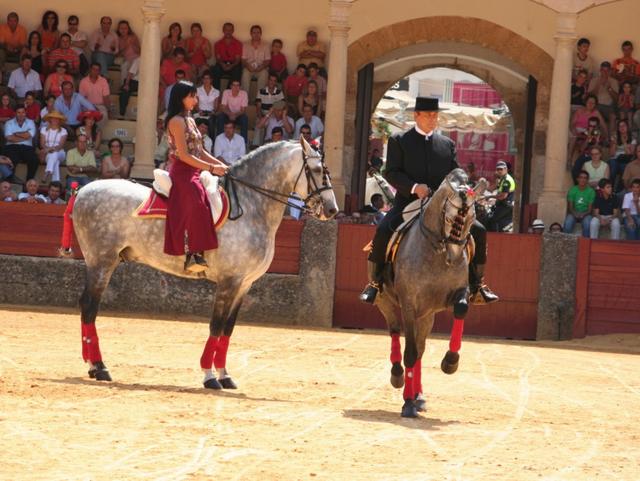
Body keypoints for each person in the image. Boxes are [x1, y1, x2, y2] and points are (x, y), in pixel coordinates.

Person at [360, 97, 498, 305]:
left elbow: (456, 173)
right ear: (417, 115)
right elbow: (391, 173)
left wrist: (465, 188)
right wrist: (415, 187)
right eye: (429, 115)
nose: (433, 119)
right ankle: (375, 284)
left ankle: (477, 285)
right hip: (408, 202)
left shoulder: (447, 144)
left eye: (435, 115)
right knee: (383, 229)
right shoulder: (399, 140)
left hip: (443, 206)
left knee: (478, 230)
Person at [164, 80, 228, 272]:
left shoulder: (190, 119)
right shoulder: (175, 121)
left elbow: (200, 151)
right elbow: (184, 155)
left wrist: (220, 164)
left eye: (195, 95)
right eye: (191, 96)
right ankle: (192, 254)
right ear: (180, 98)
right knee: (198, 204)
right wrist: (210, 167)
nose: (195, 99)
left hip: (195, 169)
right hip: (182, 173)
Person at [2, 104, 38, 180]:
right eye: (18, 112)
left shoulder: (31, 122)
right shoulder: (9, 123)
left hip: (27, 147)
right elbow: (9, 138)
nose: (21, 114)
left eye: (23, 112)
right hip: (12, 146)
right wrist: (25, 137)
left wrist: (16, 134)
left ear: (26, 113)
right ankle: (9, 181)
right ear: (15, 113)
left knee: (34, 160)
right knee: (11, 159)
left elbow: (30, 135)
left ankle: (29, 181)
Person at [484, 160, 515, 232]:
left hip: (506, 205)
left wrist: (489, 197)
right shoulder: (502, 179)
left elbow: (503, 196)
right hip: (502, 204)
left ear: (506, 169)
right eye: (498, 169)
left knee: (491, 220)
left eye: (501, 169)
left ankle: (494, 237)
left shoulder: (507, 180)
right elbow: (493, 189)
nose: (499, 171)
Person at [589, 61, 618, 134]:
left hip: (609, 106)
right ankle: (605, 139)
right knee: (597, 113)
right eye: (603, 70)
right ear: (600, 70)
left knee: (613, 117)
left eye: (607, 70)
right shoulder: (594, 80)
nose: (605, 73)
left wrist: (609, 88)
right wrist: (598, 85)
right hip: (596, 105)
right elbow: (589, 97)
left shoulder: (614, 81)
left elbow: (616, 99)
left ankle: (611, 139)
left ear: (610, 71)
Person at [563, 170, 595, 237]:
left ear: (587, 180)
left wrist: (583, 214)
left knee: (587, 224)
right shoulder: (572, 190)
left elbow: (590, 210)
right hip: (574, 212)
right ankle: (566, 244)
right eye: (581, 177)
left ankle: (585, 245)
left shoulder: (591, 191)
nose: (583, 180)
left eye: (585, 178)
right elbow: (570, 207)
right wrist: (575, 214)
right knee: (567, 224)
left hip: (586, 213)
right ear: (577, 179)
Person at [39, 110, 68, 184]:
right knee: (55, 161)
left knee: (54, 154)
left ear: (59, 120)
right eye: (53, 118)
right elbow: (42, 143)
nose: (55, 120)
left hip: (60, 153)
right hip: (47, 153)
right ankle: (56, 182)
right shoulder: (43, 130)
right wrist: (48, 150)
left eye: (57, 118)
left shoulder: (63, 131)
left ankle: (47, 172)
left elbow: (60, 145)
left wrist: (50, 149)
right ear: (50, 119)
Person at [212, 22, 242, 91]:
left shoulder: (238, 43)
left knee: (237, 70)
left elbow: (237, 60)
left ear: (233, 31)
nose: (228, 32)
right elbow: (218, 58)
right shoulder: (218, 44)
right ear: (223, 30)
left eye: (230, 30)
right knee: (215, 69)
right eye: (226, 30)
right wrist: (223, 65)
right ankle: (216, 94)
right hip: (222, 63)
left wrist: (231, 66)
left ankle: (228, 93)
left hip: (234, 64)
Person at [241, 25, 270, 94]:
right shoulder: (245, 44)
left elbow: (267, 60)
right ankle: (245, 99)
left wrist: (261, 67)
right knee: (245, 74)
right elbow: (243, 60)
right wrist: (248, 67)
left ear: (261, 34)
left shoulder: (266, 45)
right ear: (251, 34)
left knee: (264, 74)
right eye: (254, 32)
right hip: (249, 68)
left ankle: (259, 99)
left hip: (261, 68)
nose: (256, 34)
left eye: (258, 32)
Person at [195, 70, 220, 139]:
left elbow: (216, 106)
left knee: (211, 121)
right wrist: (199, 111)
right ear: (202, 80)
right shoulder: (198, 90)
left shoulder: (216, 91)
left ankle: (212, 142)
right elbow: (196, 104)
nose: (206, 80)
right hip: (200, 112)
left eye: (208, 78)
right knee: (196, 120)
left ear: (211, 80)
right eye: (204, 78)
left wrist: (212, 112)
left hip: (210, 113)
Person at [116, 20, 140, 86]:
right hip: (127, 59)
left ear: (128, 29)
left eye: (125, 28)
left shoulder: (133, 37)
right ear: (118, 29)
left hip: (136, 59)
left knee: (135, 65)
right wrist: (125, 47)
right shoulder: (118, 38)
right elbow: (116, 54)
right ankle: (123, 85)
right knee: (124, 66)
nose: (123, 30)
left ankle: (130, 85)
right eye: (121, 28)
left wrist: (133, 45)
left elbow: (139, 51)